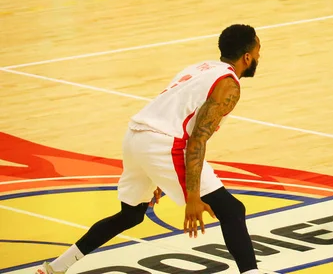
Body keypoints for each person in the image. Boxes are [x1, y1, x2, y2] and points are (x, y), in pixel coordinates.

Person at [37, 24, 262, 274]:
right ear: (247, 57)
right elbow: (197, 140)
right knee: (232, 210)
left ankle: (54, 268)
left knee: (130, 216)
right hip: (163, 144)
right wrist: (193, 197)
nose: (260, 57)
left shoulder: (200, 67)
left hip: (136, 136)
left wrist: (156, 170)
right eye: (258, 51)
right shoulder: (229, 86)